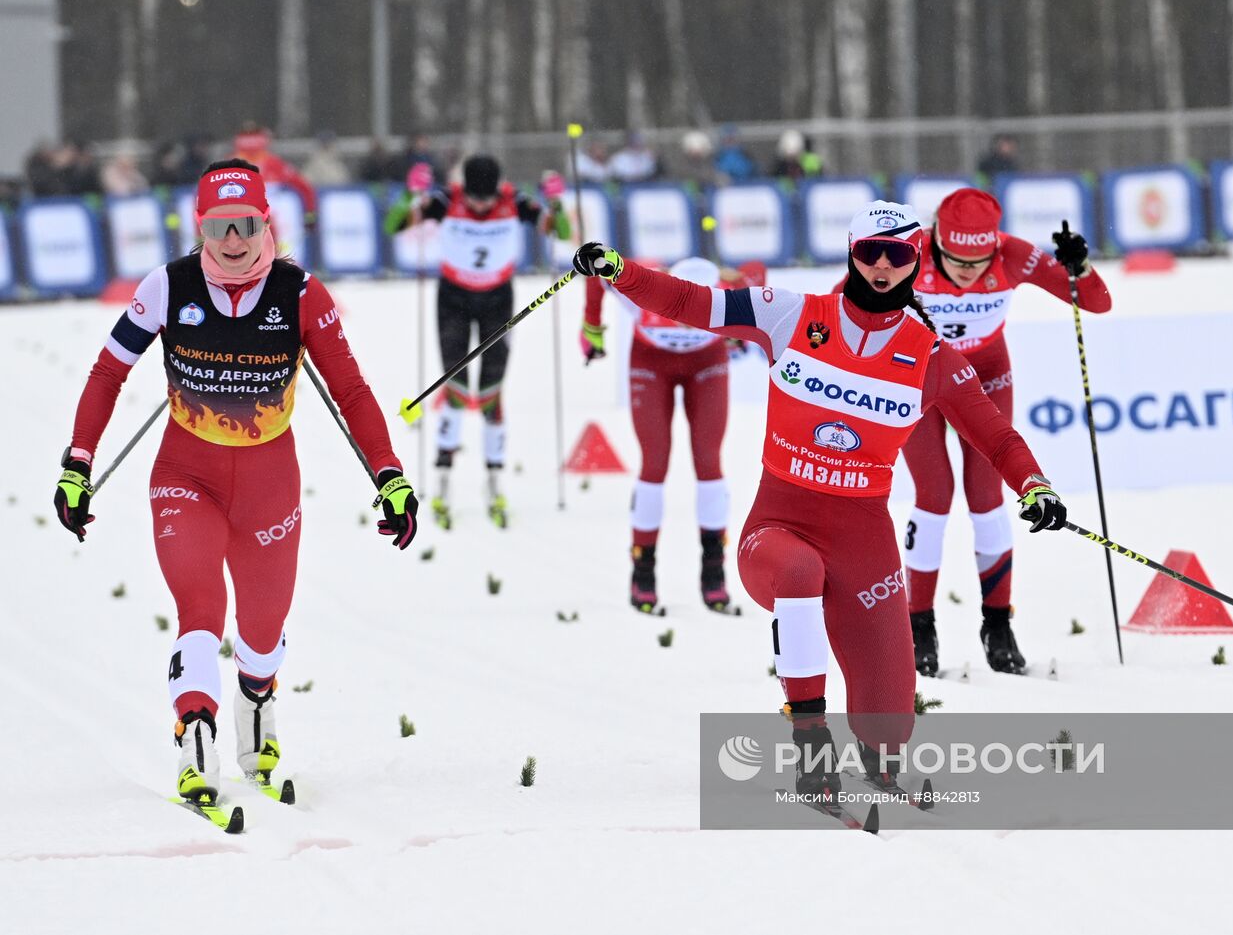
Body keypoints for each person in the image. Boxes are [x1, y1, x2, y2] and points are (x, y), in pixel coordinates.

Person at [570, 201, 1067, 798]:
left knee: (889, 721)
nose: (883, 267)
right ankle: (811, 748)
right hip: (778, 528)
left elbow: (996, 436)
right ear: (851, 253)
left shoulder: (930, 357)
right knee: (799, 571)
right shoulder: (790, 314)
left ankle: (882, 766)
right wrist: (619, 271)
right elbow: (689, 304)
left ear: (915, 261)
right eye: (870, 253)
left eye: (898, 255)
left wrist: (1034, 486)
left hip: (864, 539)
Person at [52, 160, 419, 808]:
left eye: (245, 223)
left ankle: (256, 701)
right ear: (201, 228)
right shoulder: (167, 287)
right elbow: (108, 372)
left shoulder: (301, 294)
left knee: (261, 627)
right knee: (199, 604)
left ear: (266, 223)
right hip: (185, 476)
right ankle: (195, 730)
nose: (233, 239)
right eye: (219, 226)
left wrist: (389, 476)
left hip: (268, 483)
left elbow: (353, 391)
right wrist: (77, 465)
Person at [898, 187, 1110, 675]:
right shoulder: (907, 251)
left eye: (979, 260)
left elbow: (1096, 302)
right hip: (919, 380)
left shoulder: (1013, 254)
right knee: (933, 495)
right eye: (956, 260)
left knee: (986, 496)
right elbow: (836, 303)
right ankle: (919, 627)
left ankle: (997, 624)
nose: (968, 272)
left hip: (985, 377)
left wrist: (1080, 267)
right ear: (935, 242)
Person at [580, 257, 767, 614]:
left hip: (706, 363)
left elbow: (758, 276)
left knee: (709, 462)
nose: (688, 312)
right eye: (680, 301)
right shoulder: (643, 291)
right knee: (654, 463)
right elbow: (598, 273)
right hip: (651, 363)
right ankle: (643, 572)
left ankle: (714, 573)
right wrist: (591, 326)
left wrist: (743, 332)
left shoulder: (728, 290)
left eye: (700, 303)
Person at [392, 154, 545, 529]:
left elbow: (561, 231)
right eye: (474, 199)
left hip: (498, 299)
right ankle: (443, 480)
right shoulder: (447, 200)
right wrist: (410, 197)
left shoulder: (516, 200)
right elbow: (395, 225)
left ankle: (494, 481)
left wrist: (556, 205)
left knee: (492, 390)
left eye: (485, 200)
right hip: (454, 300)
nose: (478, 206)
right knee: (456, 387)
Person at [233, 124, 318, 240]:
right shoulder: (274, 163)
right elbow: (304, 187)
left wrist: (310, 215)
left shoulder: (274, 164)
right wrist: (310, 215)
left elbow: (304, 187)